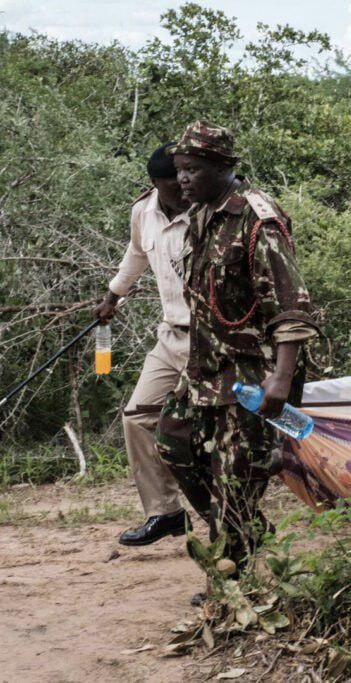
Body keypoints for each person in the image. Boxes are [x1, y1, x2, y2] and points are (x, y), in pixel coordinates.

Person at [156, 121, 318, 577]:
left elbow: (291, 306)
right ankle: (242, 526)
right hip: (206, 367)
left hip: (250, 372)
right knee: (172, 443)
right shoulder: (203, 213)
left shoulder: (257, 219)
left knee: (236, 479)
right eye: (179, 170)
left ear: (222, 167)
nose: (183, 179)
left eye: (192, 169)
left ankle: (231, 581)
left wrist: (281, 379)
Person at [94, 142, 191, 547]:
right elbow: (136, 254)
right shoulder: (143, 212)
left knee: (194, 429)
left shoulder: (209, 212)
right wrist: (112, 297)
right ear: (155, 184)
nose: (184, 187)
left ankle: (234, 517)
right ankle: (164, 512)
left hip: (214, 341)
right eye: (174, 182)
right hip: (172, 336)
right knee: (137, 417)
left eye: (188, 177)